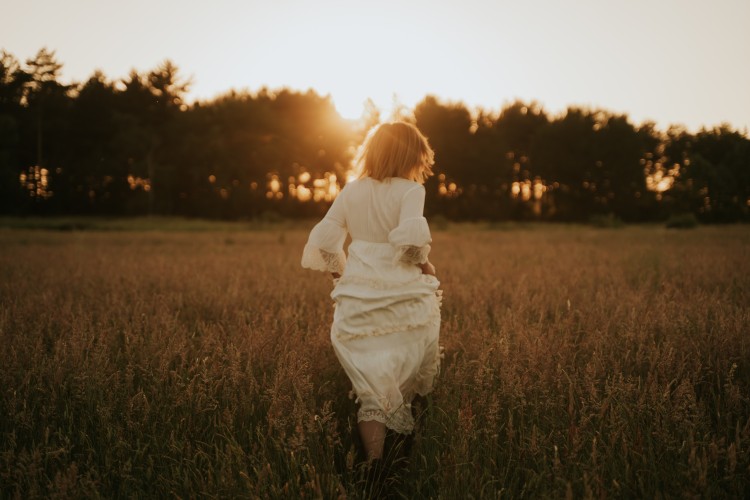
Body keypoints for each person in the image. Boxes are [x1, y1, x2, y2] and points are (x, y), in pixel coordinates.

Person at [301, 121, 442, 462]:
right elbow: (410, 243)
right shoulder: (411, 190)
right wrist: (426, 268)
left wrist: (341, 276)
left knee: (370, 386)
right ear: (413, 155)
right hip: (401, 291)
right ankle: (402, 449)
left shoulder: (352, 189)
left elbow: (325, 239)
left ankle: (374, 464)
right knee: (402, 362)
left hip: (358, 292)